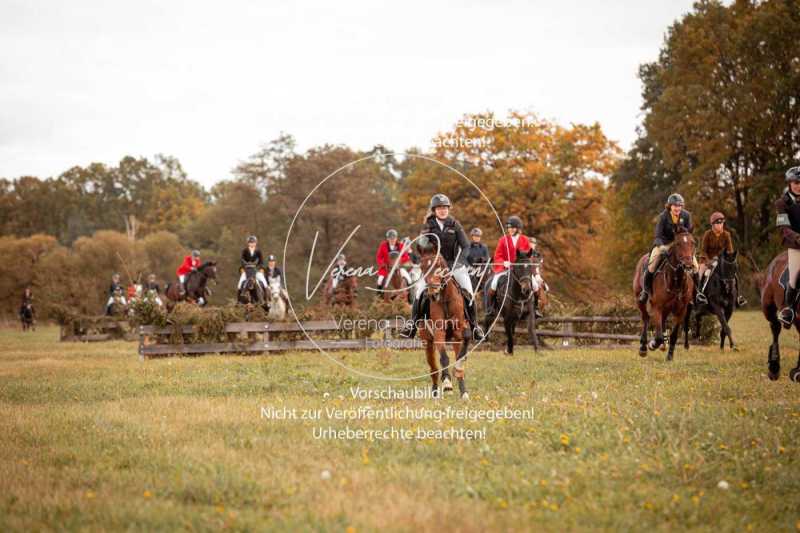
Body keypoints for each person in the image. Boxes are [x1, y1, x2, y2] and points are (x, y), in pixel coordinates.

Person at [400, 194, 484, 340]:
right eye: (439, 208)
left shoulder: (455, 224)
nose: (443, 210)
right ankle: (412, 324)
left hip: (453, 264)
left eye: (445, 208)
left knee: (469, 292)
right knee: (420, 291)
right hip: (433, 266)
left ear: (448, 209)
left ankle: (475, 326)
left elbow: (465, 246)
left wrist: (459, 260)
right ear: (434, 210)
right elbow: (421, 246)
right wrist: (425, 243)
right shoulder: (428, 225)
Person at [639, 193, 698, 305]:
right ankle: (645, 292)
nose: (678, 208)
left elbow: (689, 232)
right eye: (675, 206)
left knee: (695, 266)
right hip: (664, 243)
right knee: (652, 265)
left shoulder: (686, 215)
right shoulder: (663, 216)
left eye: (680, 205)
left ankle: (697, 294)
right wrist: (661, 247)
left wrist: (683, 232)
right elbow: (657, 235)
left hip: (680, 244)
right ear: (670, 206)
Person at [696, 212, 746, 306]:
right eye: (718, 223)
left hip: (721, 261)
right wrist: (708, 261)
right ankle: (699, 293)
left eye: (721, 223)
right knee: (702, 272)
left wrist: (730, 260)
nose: (720, 225)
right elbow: (703, 250)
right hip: (707, 259)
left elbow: (730, 250)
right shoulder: (707, 234)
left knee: (734, 273)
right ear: (713, 225)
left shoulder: (726, 234)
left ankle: (738, 296)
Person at [485, 216, 531, 315]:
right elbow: (498, 255)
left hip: (521, 271)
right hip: (505, 268)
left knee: (535, 285)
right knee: (494, 283)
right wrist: (503, 262)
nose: (510, 230)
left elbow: (528, 255)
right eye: (509, 228)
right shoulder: (503, 240)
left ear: (518, 228)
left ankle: (535, 308)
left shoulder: (525, 240)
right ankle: (491, 308)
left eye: (512, 228)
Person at [776, 166, 800, 325]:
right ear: (790, 183)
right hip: (795, 245)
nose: (799, 185)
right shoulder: (781, 203)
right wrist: (798, 237)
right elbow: (783, 227)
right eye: (796, 182)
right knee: (794, 276)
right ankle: (789, 310)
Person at [375, 229, 412, 296]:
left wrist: (399, 261)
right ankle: (378, 298)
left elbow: (406, 257)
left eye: (394, 238)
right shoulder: (383, 246)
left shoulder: (400, 245)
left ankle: (410, 299)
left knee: (409, 279)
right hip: (386, 268)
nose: (392, 240)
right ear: (387, 239)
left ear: (396, 238)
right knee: (380, 280)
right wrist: (382, 264)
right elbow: (379, 257)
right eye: (390, 238)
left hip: (398, 268)